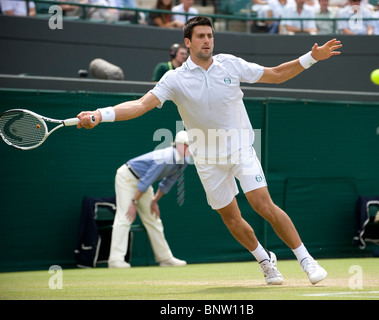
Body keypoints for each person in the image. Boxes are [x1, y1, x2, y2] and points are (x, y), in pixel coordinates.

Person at [77, 16, 342, 285]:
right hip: (206, 159)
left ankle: (306, 260)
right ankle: (265, 260)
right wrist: (101, 113)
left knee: (263, 204)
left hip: (240, 148)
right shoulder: (174, 79)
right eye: (201, 36)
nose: (207, 40)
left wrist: (312, 57)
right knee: (232, 218)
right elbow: (140, 105)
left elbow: (275, 74)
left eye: (210, 35)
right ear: (188, 42)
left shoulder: (231, 64)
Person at [108, 131, 191, 268]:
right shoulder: (165, 156)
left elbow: (168, 182)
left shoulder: (185, 160)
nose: (190, 149)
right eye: (187, 146)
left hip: (143, 183)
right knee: (125, 216)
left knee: (153, 218)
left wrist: (154, 201)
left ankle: (165, 258)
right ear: (179, 145)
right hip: (127, 177)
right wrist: (133, 202)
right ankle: (115, 260)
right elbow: (148, 180)